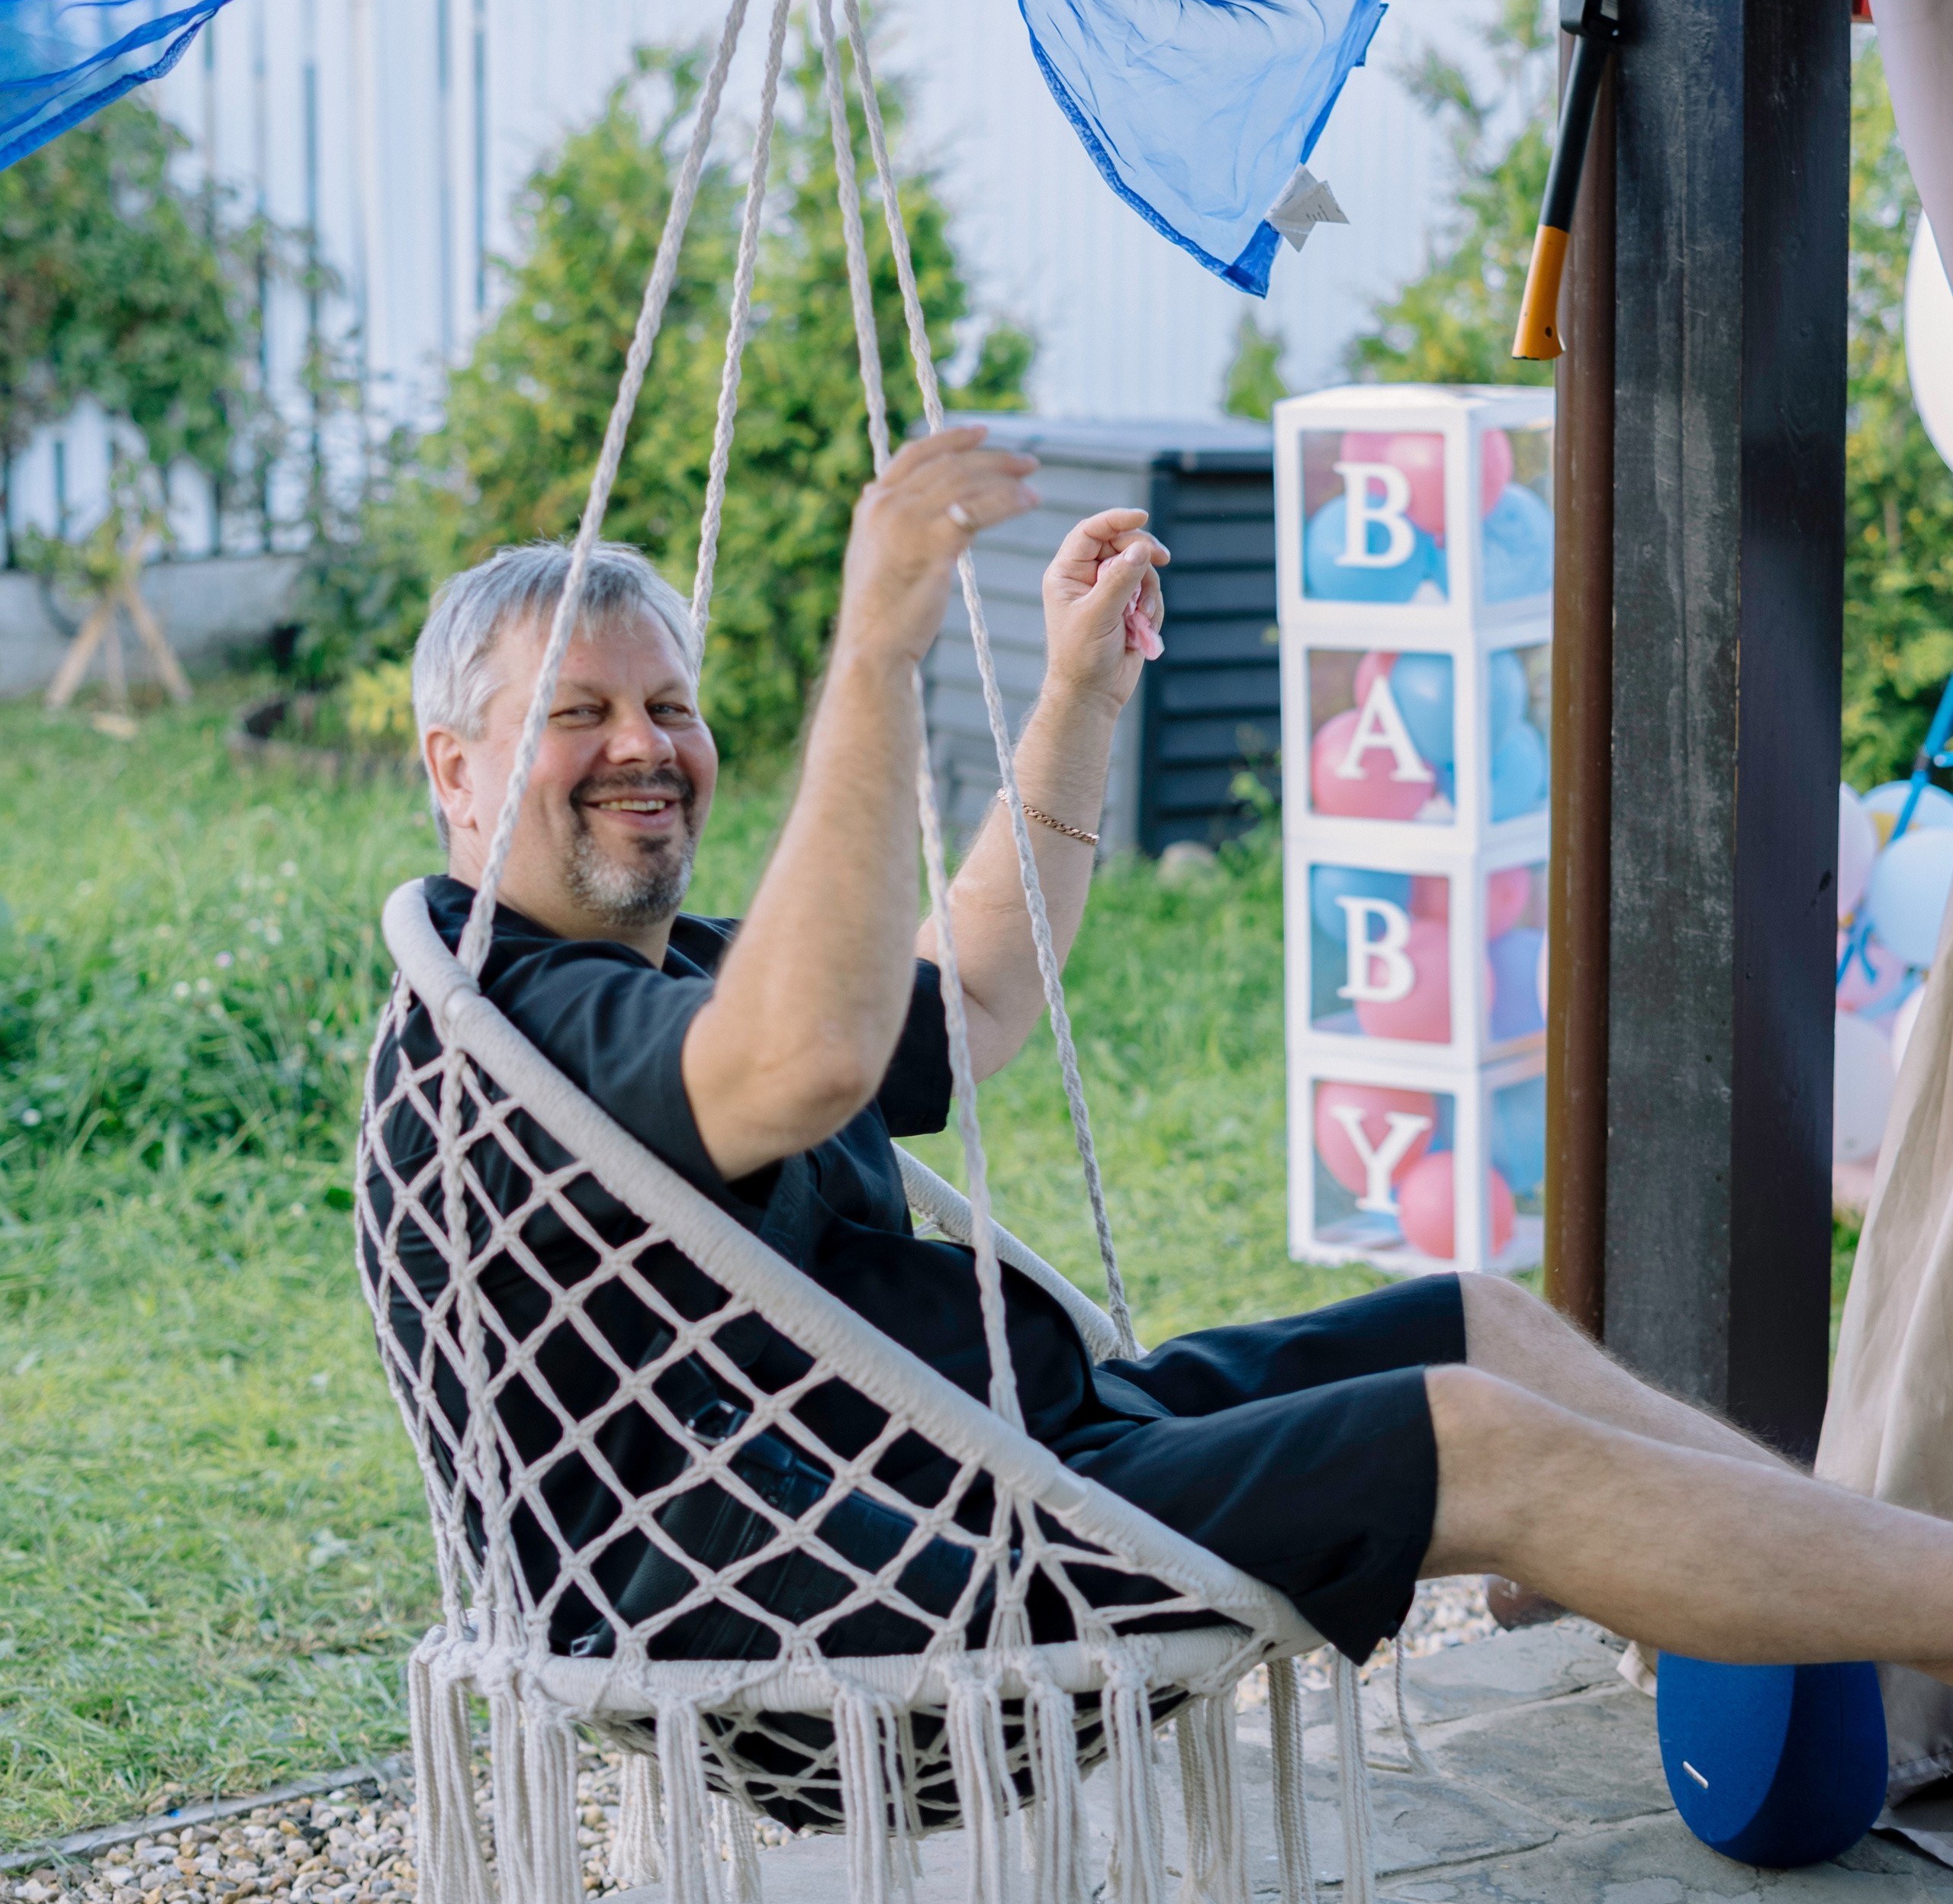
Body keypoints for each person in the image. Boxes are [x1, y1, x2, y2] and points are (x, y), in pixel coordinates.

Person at [388, 426, 1953, 1685]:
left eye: (668, 703)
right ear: (455, 772)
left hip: (1007, 1451)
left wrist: (1076, 688)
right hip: (852, 1567)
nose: (645, 747)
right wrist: (873, 655)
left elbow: (975, 996)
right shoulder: (508, 1023)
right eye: (577, 713)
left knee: (1473, 1324)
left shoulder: (685, 973)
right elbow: (797, 1063)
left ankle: (1863, 1591)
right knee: (1463, 1442)